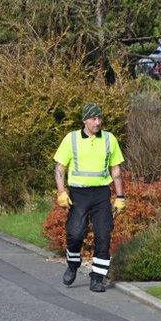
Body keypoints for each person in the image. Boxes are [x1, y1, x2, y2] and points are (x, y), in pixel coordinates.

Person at [54, 103, 125, 293]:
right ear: (84, 120)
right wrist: (61, 192)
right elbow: (60, 168)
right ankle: (72, 265)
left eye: (99, 118)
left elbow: (116, 169)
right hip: (79, 193)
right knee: (75, 232)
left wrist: (120, 196)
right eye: (93, 119)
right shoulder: (72, 139)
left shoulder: (110, 139)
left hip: (101, 193)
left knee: (103, 235)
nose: (98, 122)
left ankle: (97, 278)